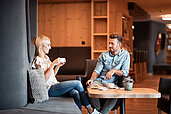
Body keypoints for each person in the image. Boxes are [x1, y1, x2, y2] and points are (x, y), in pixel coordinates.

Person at [32, 35, 94, 113]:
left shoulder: (46, 58)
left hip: (54, 84)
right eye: (48, 45)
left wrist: (58, 66)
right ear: (42, 45)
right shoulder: (38, 61)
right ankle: (89, 107)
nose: (50, 47)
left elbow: (52, 76)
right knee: (77, 83)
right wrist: (53, 64)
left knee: (75, 93)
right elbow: (43, 80)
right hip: (48, 89)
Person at [86, 33, 130, 114]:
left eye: (112, 43)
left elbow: (125, 72)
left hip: (113, 84)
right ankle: (98, 110)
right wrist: (91, 79)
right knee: (90, 87)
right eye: (109, 43)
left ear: (119, 45)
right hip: (100, 81)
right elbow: (97, 71)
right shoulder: (104, 55)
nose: (109, 45)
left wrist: (114, 71)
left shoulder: (125, 55)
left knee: (117, 94)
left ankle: (101, 113)